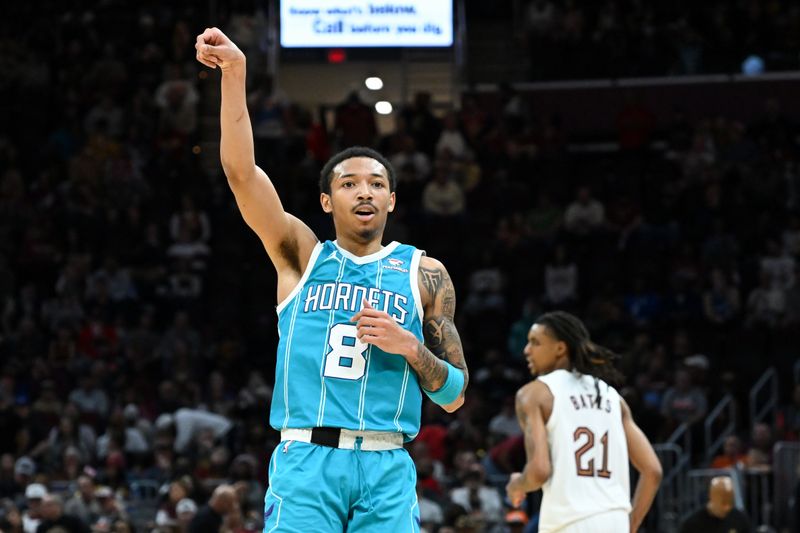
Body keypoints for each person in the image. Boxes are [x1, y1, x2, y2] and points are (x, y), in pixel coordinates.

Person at [195, 27, 469, 532]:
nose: (364, 192)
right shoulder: (301, 256)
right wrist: (235, 75)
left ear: (392, 200)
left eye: (377, 184)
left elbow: (454, 394)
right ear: (327, 201)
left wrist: (411, 348)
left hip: (387, 465)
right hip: (307, 459)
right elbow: (240, 172)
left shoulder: (425, 273)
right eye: (349, 184)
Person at [505, 311, 662, 532]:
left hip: (570, 523)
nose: (526, 350)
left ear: (560, 348)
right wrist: (632, 523)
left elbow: (539, 471)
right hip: (615, 521)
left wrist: (517, 484)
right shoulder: (613, 398)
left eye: (535, 343)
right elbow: (652, 470)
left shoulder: (535, 394)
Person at [679, 476, 751, 533]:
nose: (726, 507)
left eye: (729, 500)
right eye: (723, 500)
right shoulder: (692, 524)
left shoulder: (739, 519)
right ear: (711, 495)